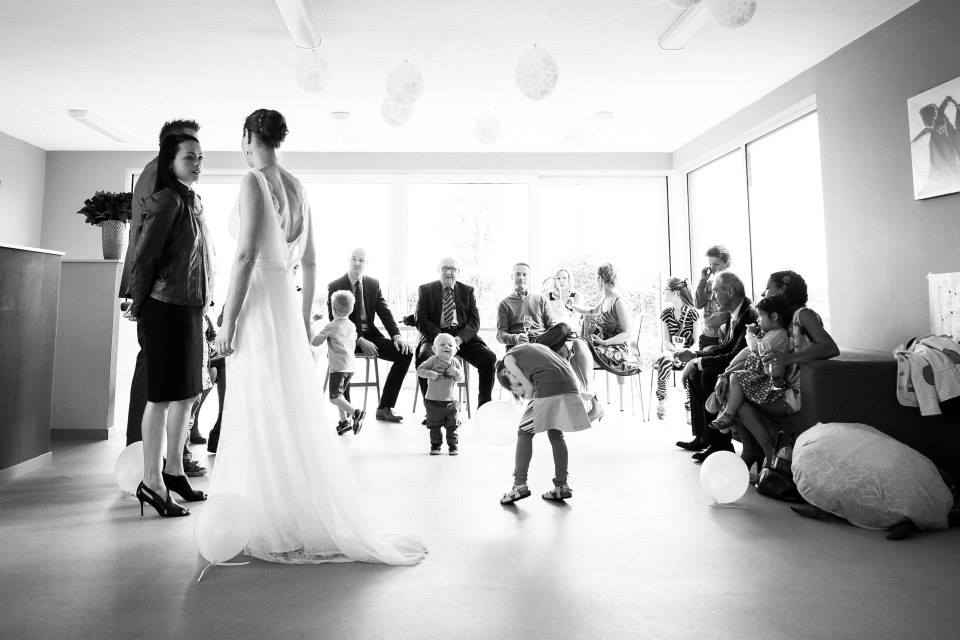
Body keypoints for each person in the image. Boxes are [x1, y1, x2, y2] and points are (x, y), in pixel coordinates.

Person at [211, 109, 425, 565]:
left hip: (258, 305)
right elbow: (310, 262)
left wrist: (228, 320)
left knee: (259, 403)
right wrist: (305, 317)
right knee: (287, 405)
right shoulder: (298, 186)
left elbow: (246, 254)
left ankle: (269, 516)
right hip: (285, 307)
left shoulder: (254, 181)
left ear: (249, 136)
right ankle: (292, 509)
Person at [128, 132, 213, 517]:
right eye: (189, 157)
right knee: (161, 397)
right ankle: (152, 482)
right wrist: (139, 302)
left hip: (190, 308)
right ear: (170, 162)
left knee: (188, 393)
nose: (197, 163)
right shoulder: (165, 200)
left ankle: (174, 469)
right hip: (163, 307)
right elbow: (145, 258)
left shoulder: (192, 200)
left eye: (200, 157)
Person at [120, 119, 200, 450]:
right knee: (155, 376)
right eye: (188, 148)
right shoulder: (160, 183)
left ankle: (161, 453)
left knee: (166, 377)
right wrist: (140, 300)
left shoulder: (178, 188)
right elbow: (148, 246)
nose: (195, 159)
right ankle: (141, 453)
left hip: (168, 290)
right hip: (159, 292)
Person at [730, 271, 839, 467]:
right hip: (780, 386)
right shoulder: (781, 322)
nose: (765, 293)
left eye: (768, 288)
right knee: (731, 390)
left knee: (737, 397)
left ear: (782, 289)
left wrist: (788, 359)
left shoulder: (803, 315)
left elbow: (830, 347)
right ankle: (757, 449)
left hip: (795, 393)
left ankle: (766, 450)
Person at [496, 344, 600, 505]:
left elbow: (529, 388)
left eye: (516, 386)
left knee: (524, 432)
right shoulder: (532, 349)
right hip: (570, 384)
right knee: (556, 433)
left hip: (548, 387)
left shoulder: (509, 359)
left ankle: (519, 485)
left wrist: (528, 392)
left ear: (505, 372)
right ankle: (562, 485)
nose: (520, 390)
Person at [675, 272, 757, 462]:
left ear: (729, 291)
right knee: (696, 373)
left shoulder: (748, 315)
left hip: (745, 368)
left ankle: (721, 444)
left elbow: (734, 356)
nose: (712, 297)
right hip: (734, 362)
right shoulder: (734, 314)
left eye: (715, 292)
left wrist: (700, 361)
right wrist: (696, 356)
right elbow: (725, 347)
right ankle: (704, 437)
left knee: (707, 373)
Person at [327, 248, 412, 423]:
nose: (357, 263)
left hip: (371, 336)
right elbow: (334, 319)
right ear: (348, 260)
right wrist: (358, 339)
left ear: (366, 263)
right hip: (345, 338)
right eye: (354, 259)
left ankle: (385, 408)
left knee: (405, 353)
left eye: (361, 260)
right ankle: (349, 413)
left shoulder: (373, 284)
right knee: (344, 355)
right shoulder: (335, 286)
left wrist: (396, 335)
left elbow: (384, 311)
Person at [496, 262, 593, 393]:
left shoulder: (541, 299)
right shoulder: (505, 304)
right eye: (518, 274)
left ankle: (565, 396)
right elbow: (500, 335)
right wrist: (516, 338)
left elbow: (552, 326)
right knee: (560, 349)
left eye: (525, 274)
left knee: (564, 328)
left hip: (542, 341)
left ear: (529, 278)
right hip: (519, 346)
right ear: (512, 277)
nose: (521, 277)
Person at [415, 257, 497, 407]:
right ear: (438, 270)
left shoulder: (467, 291)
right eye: (444, 268)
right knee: (423, 357)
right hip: (435, 337)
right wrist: (439, 337)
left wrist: (459, 339)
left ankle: (484, 407)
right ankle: (432, 409)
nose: (448, 272)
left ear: (457, 272)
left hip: (460, 338)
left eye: (452, 269)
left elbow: (474, 321)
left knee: (489, 358)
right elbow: (420, 319)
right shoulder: (425, 290)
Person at [708, 294, 793, 434]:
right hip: (759, 377)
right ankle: (724, 409)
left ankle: (728, 414)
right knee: (733, 378)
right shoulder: (768, 334)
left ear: (774, 317)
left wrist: (749, 334)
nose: (758, 321)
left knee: (736, 378)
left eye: (760, 316)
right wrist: (727, 371)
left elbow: (756, 348)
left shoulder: (779, 335)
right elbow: (745, 353)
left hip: (768, 382)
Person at [568, 263, 639, 376]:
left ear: (600, 279)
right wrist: (573, 306)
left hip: (617, 349)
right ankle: (589, 390)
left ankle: (588, 389)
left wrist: (605, 342)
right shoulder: (606, 298)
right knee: (574, 357)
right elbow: (591, 311)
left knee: (580, 356)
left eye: (597, 278)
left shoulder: (618, 301)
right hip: (604, 345)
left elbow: (627, 333)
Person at [313, 289, 365, 436]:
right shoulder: (351, 325)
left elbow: (316, 342)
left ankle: (355, 413)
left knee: (334, 397)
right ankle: (343, 422)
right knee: (340, 394)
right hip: (350, 366)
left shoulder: (333, 325)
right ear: (351, 309)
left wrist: (311, 336)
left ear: (334, 309)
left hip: (338, 367)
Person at [653, 277, 699, 420]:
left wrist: (685, 352)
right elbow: (666, 341)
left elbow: (697, 341)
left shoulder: (693, 313)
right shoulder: (666, 314)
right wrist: (674, 352)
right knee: (665, 359)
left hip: (689, 351)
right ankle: (661, 400)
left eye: (666, 290)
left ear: (676, 293)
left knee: (688, 366)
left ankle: (689, 407)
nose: (663, 293)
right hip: (672, 351)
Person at [416, 333, 464, 456]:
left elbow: (461, 379)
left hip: (451, 402)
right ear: (434, 349)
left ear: (455, 349)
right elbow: (419, 370)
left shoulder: (456, 363)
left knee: (452, 426)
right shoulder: (433, 360)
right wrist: (429, 373)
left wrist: (456, 373)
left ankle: (453, 446)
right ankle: (435, 446)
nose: (446, 347)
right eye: (442, 345)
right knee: (434, 426)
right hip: (433, 401)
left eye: (450, 345)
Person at [693, 245, 731, 350]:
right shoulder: (708, 283)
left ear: (727, 265)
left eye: (716, 264)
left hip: (723, 336)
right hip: (706, 335)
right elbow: (698, 304)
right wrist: (702, 280)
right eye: (710, 264)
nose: (712, 268)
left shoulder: (732, 285)